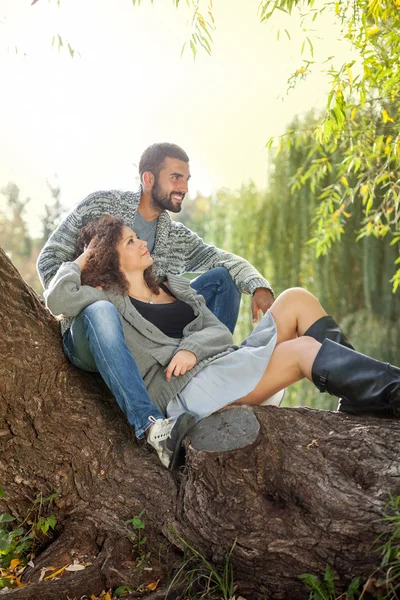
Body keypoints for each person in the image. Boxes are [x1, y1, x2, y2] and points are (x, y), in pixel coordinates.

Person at [44, 216, 400, 470]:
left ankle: (358, 402)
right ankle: (393, 392)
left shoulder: (173, 285)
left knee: (296, 298)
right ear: (108, 257)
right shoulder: (108, 302)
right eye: (129, 242)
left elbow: (217, 332)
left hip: (221, 362)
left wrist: (191, 348)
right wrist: (83, 257)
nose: (141, 243)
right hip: (189, 391)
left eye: (138, 237)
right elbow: (58, 300)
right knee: (303, 351)